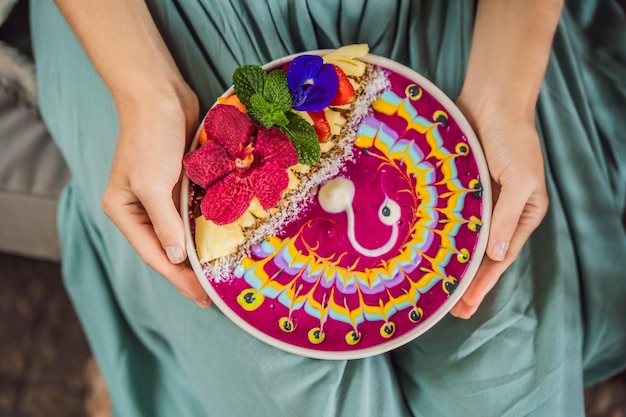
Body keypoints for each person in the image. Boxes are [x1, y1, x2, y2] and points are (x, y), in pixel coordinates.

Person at [33, 0, 626, 416]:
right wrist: (147, 93)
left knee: (500, 380)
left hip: (453, 15)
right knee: (288, 385)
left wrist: (504, 99)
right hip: (143, 29)